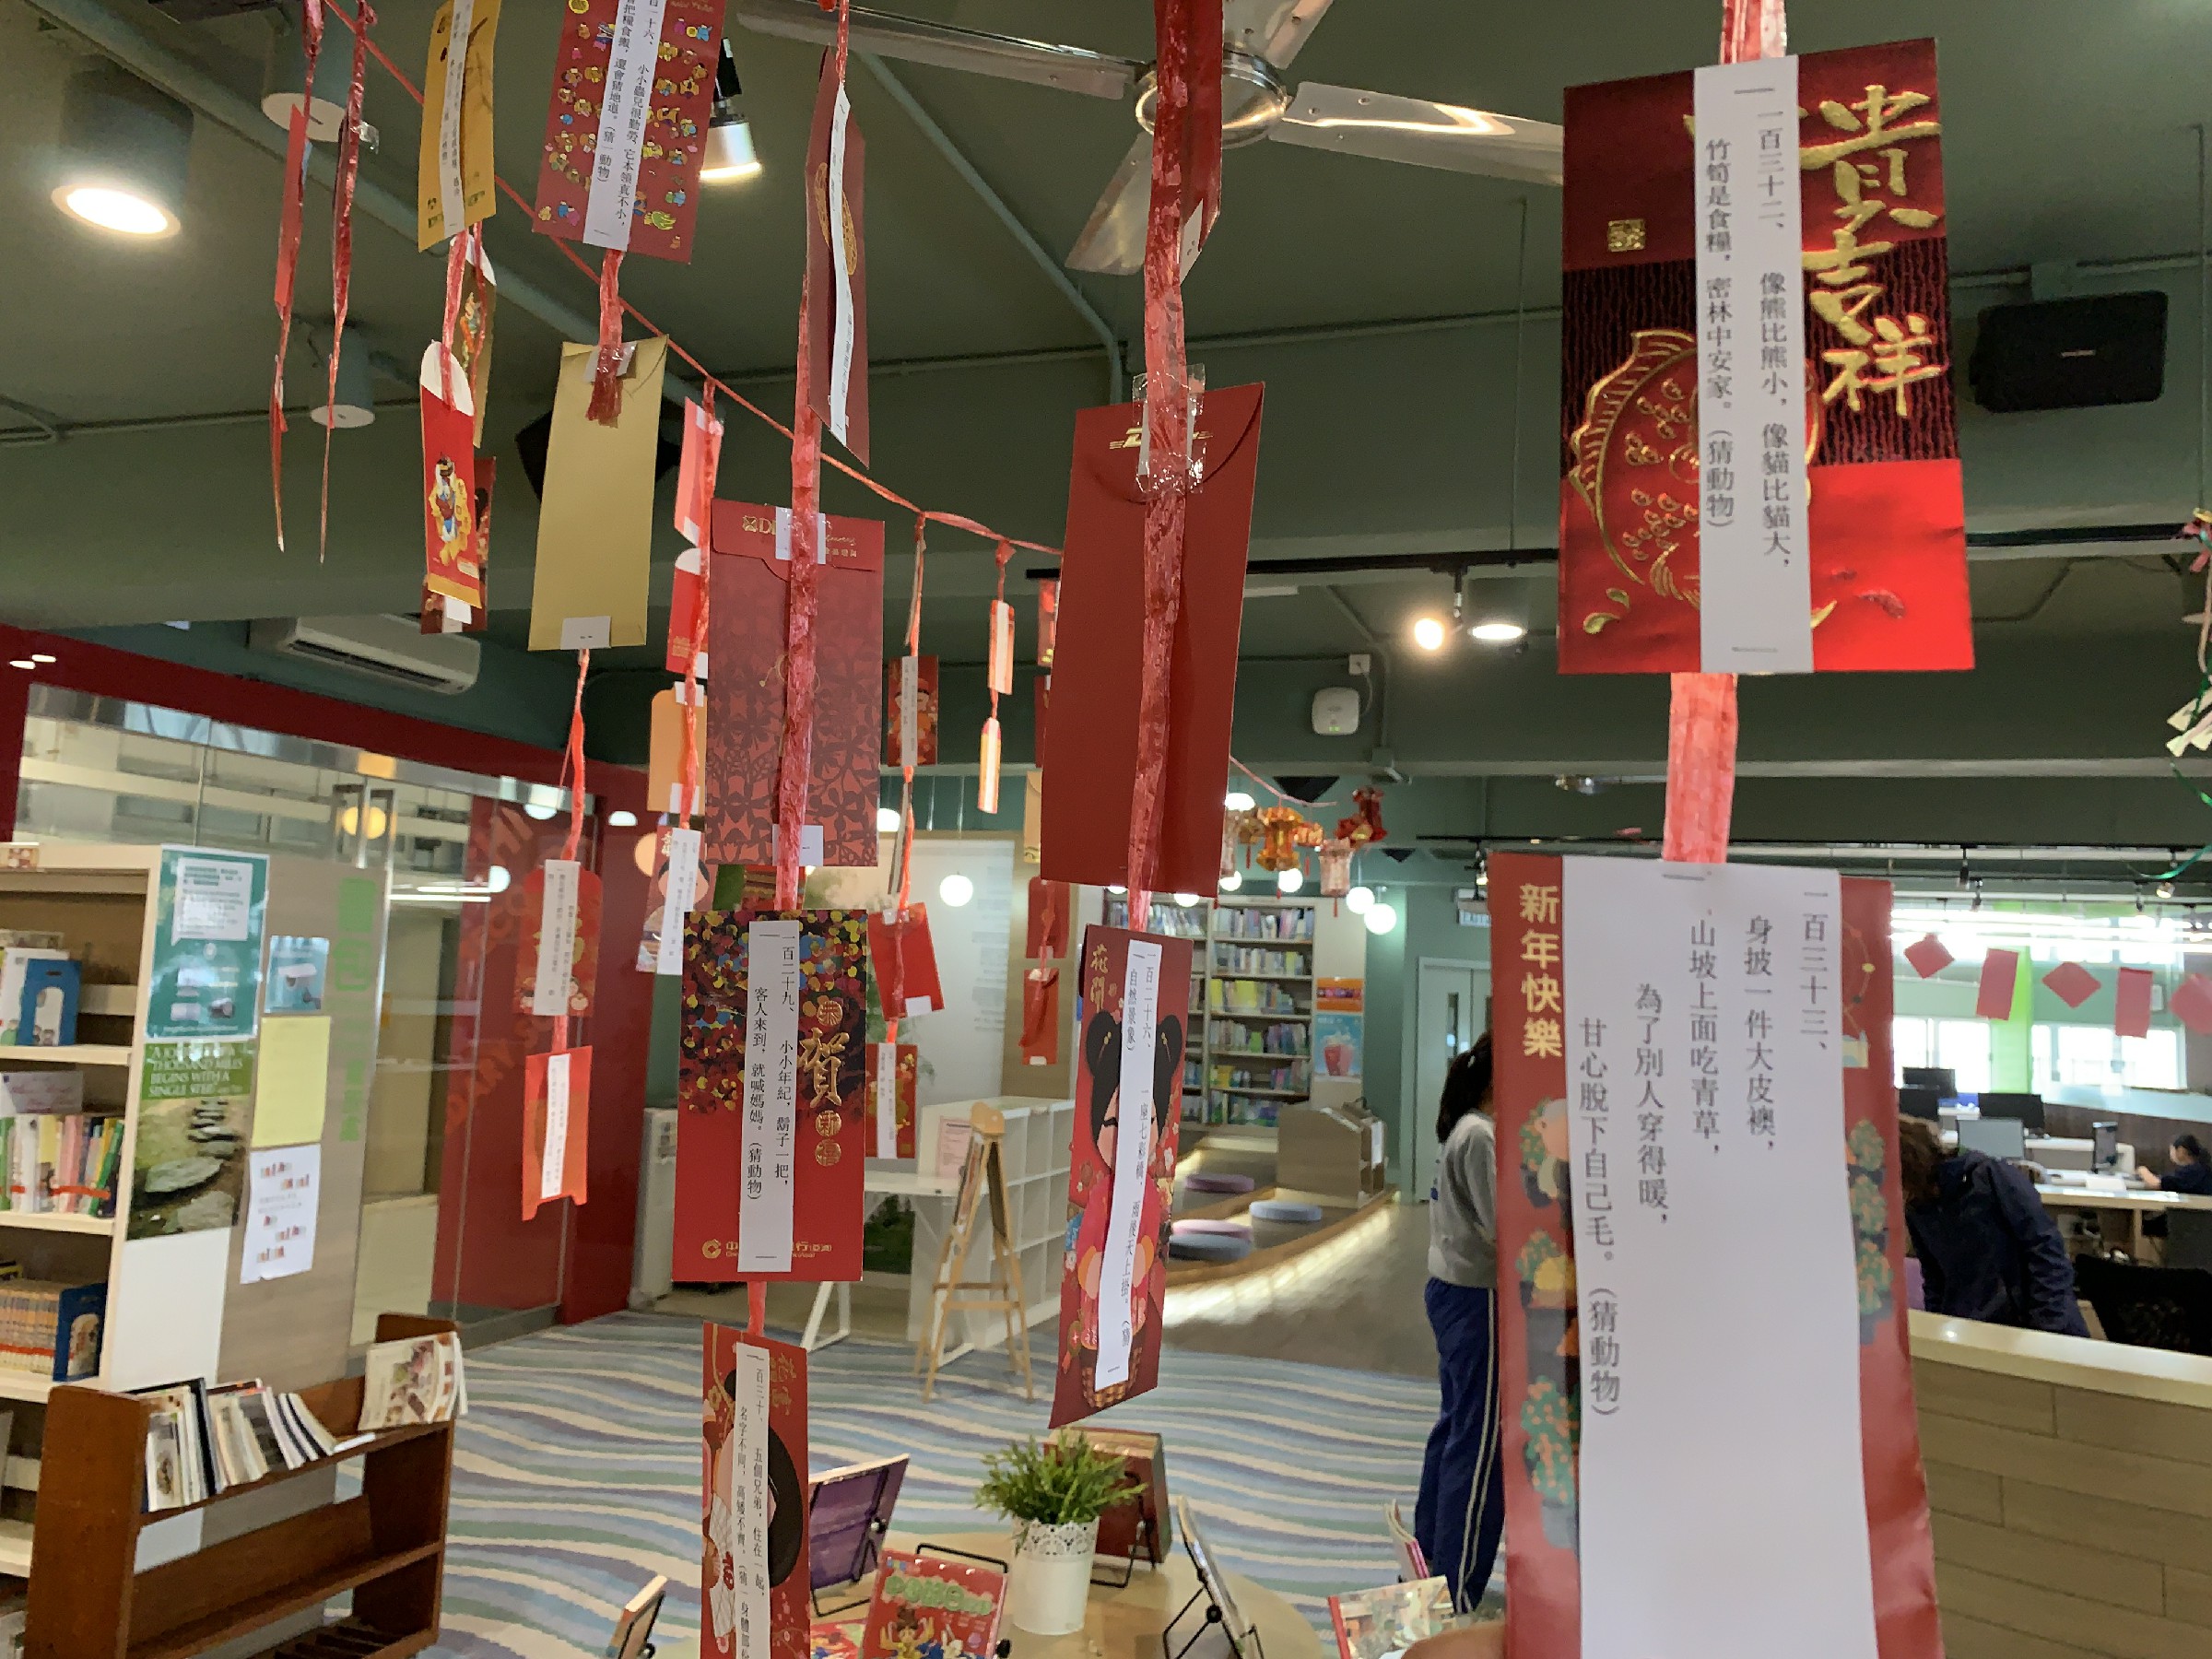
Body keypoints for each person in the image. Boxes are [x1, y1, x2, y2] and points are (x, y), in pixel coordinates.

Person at [1414, 1034, 1504, 1616]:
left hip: (1455, 1294)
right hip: (1478, 1301)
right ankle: (1456, 1592)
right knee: (1480, 1447)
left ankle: (1430, 1570)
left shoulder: (1469, 1130)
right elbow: (1507, 1229)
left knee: (1457, 1432)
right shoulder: (1482, 1137)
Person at [1898, 1116, 2088, 1336]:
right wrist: (1937, 1328)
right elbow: (1934, 1278)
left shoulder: (1989, 1176)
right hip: (1972, 1329)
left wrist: (2047, 1328)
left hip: (2034, 1323)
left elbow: (2046, 1251)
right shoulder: (1918, 1206)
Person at [2138, 1133, 2212, 1196]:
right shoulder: (2201, 1169)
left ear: (2181, 1150)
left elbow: (2155, 1184)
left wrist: (2142, 1170)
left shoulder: (2192, 1172)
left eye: (2172, 1149)